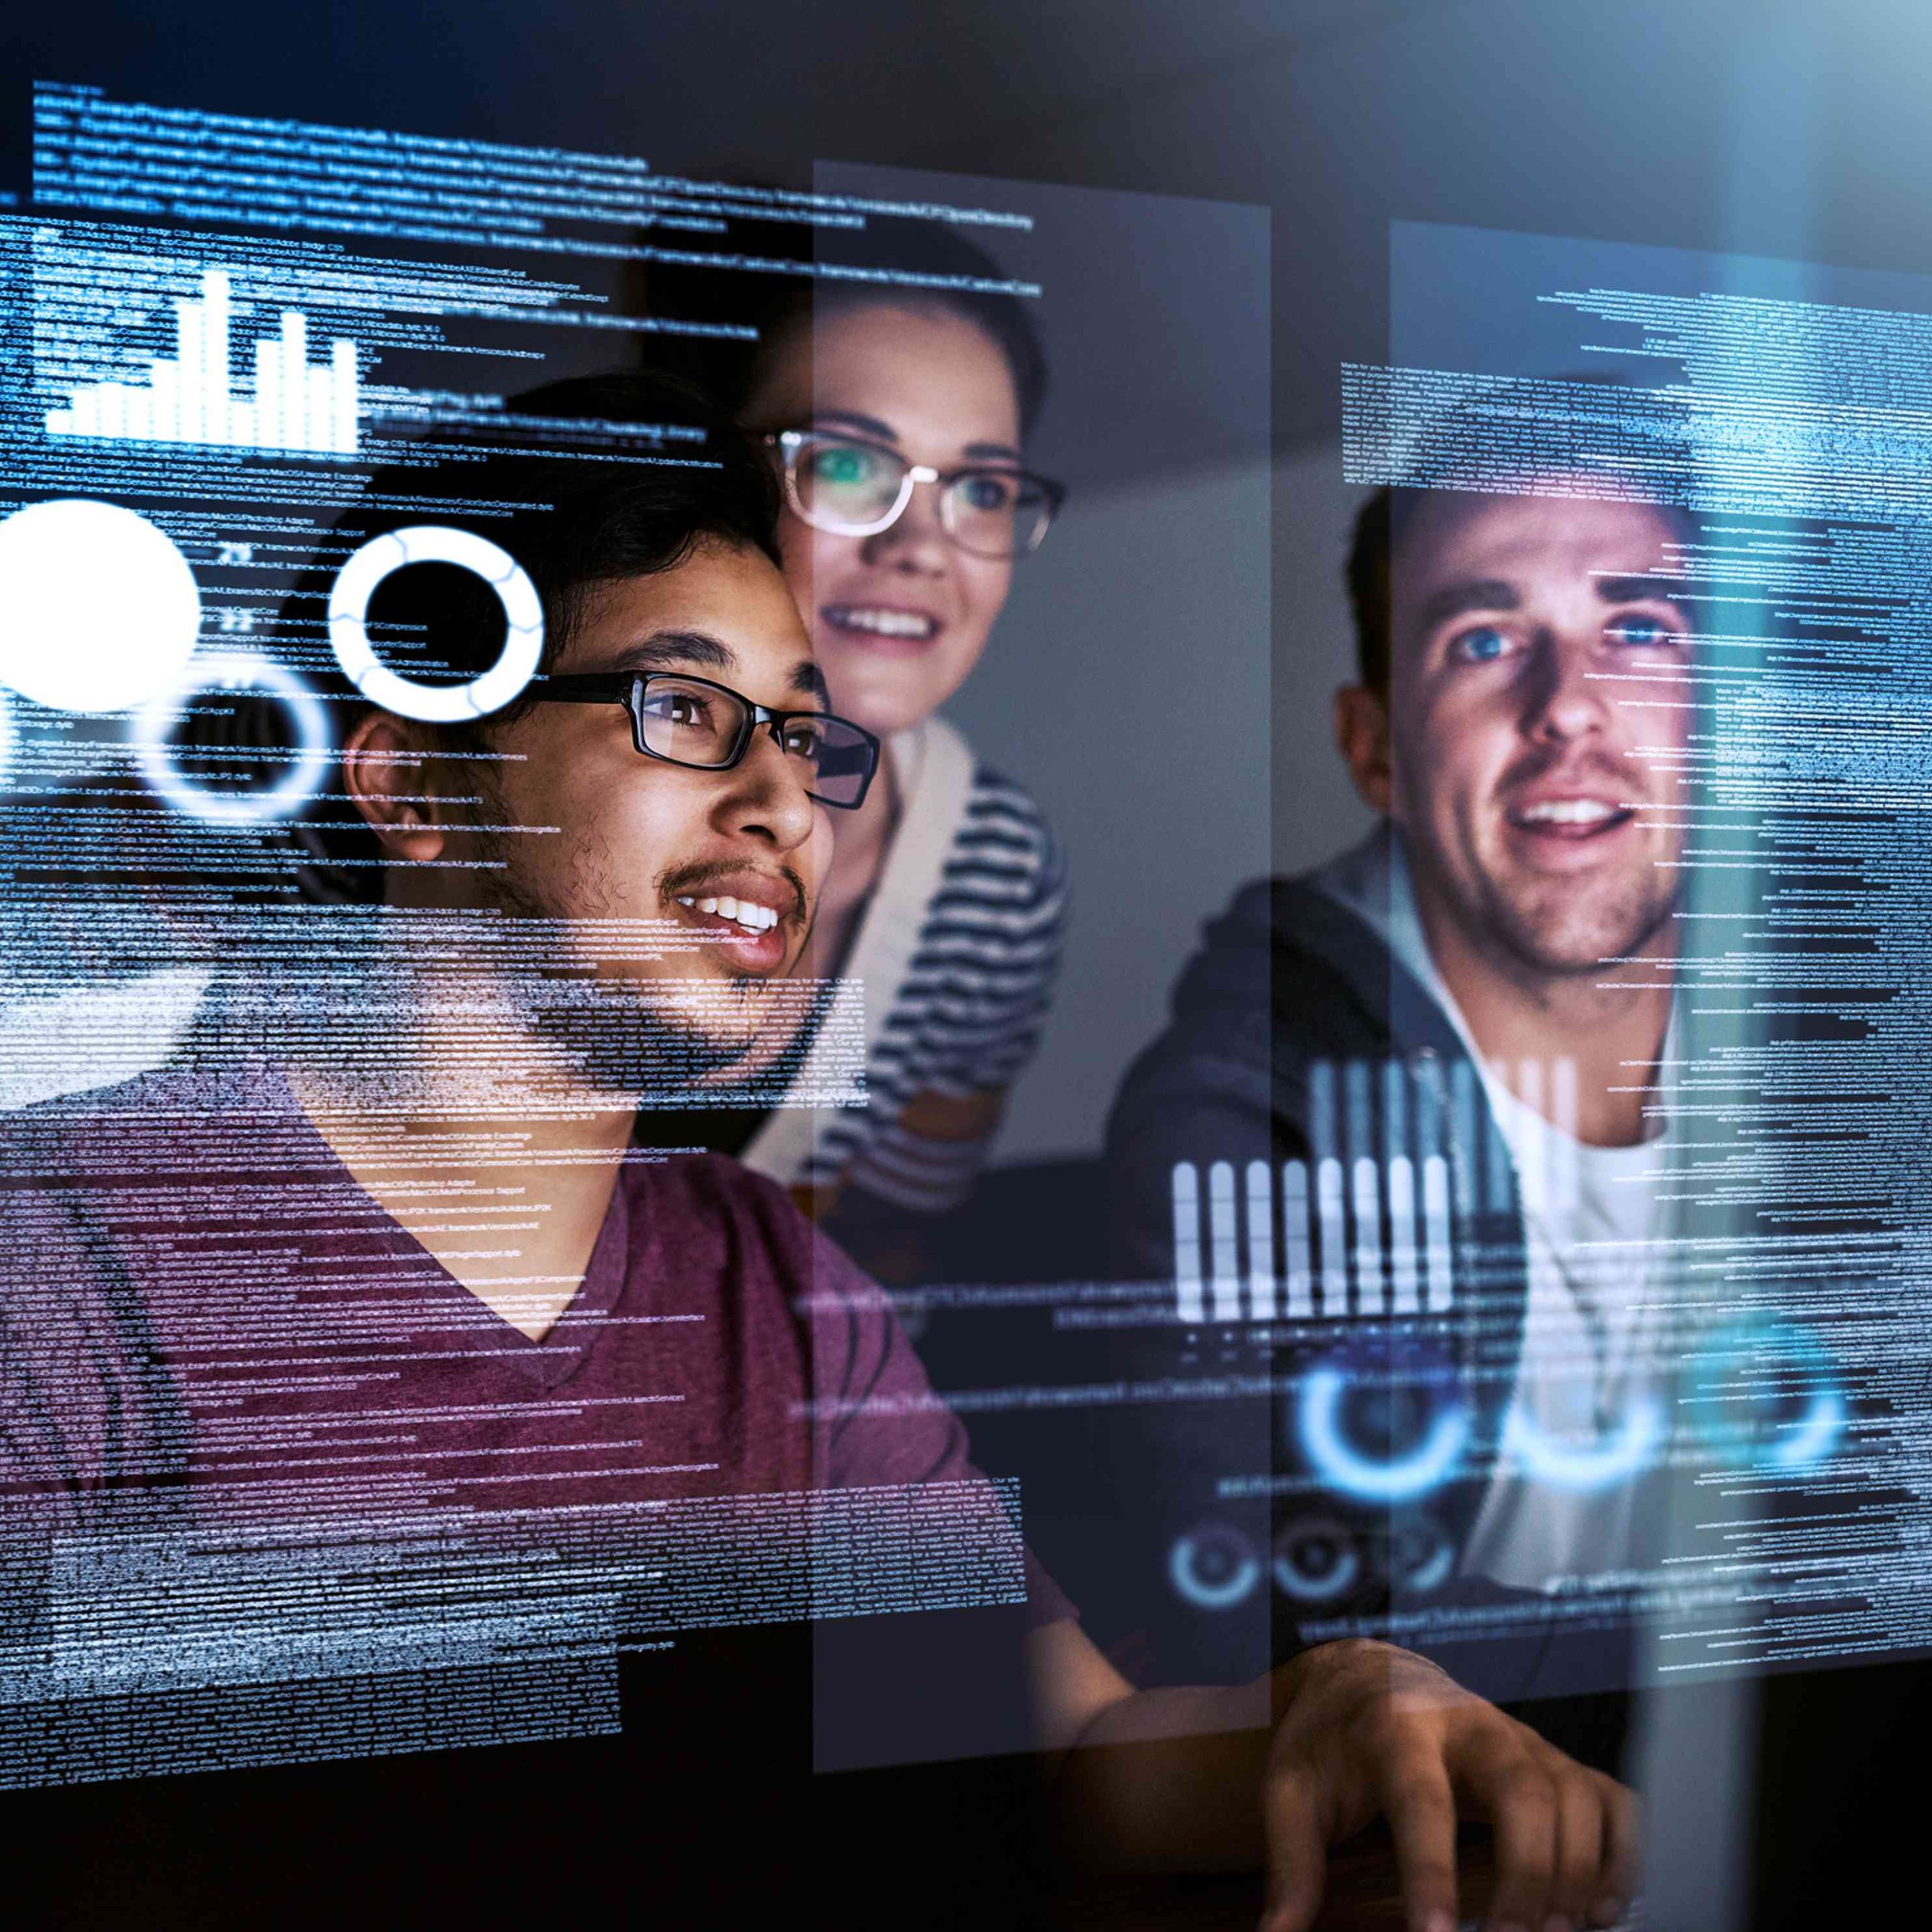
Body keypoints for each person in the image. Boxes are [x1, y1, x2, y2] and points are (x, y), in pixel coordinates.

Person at [0, 378, 1635, 1932]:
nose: (788, 798)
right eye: (691, 710)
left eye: (807, 737)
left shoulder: (773, 1280)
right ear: (419, 779)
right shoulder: (55, 1260)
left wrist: (1334, 1713)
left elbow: (1058, 1752)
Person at [1106, 460, 1697, 1715]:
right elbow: (1260, 1636)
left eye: (1637, 630)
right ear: (1372, 749)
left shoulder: (1859, 1056)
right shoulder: (1234, 1113)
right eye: (1486, 640)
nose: (1569, 709)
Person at [645, 223, 1070, 1269]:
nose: (921, 548)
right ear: (706, 474)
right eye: (847, 464)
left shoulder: (994, 872)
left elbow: (889, 1263)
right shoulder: (509, 769)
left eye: (981, 490)